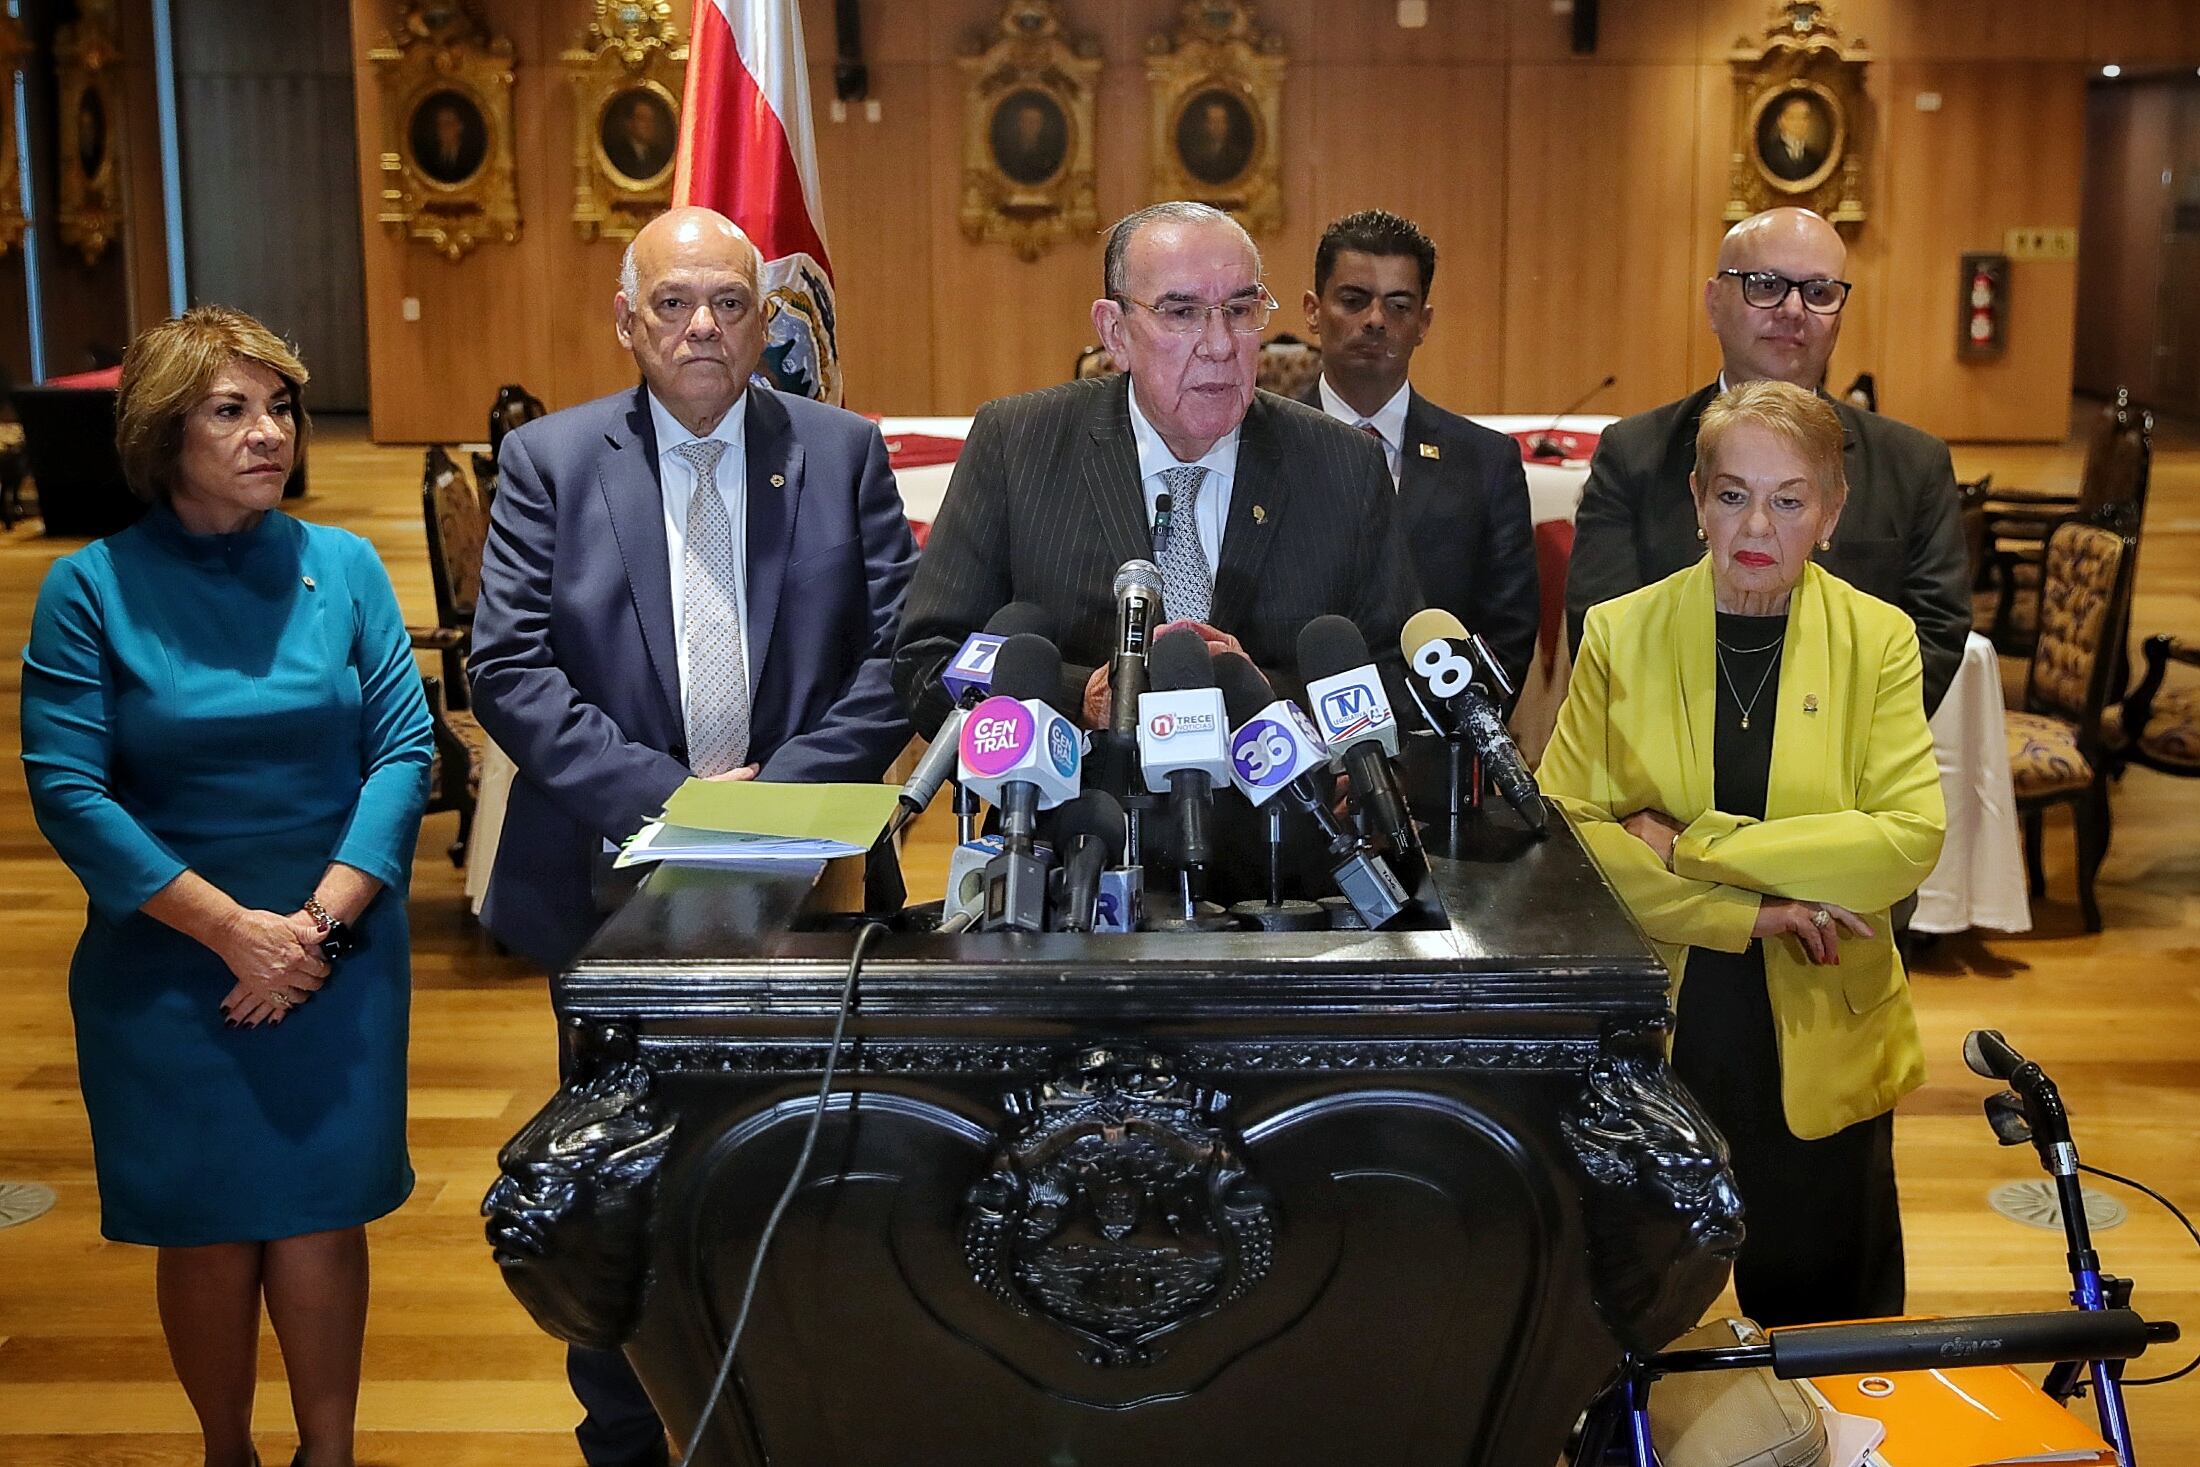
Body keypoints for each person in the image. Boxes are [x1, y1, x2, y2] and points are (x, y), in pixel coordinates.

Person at [468, 205, 917, 1467]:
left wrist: (767, 807)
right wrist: (670, 804)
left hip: (812, 877)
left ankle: (793, 1413)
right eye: (673, 303)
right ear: (627, 320)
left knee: (804, 1159)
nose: (703, 326)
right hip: (611, 883)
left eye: (728, 300)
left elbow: (899, 659)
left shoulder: (841, 451)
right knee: (611, 1178)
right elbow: (507, 665)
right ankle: (622, 1430)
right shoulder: (550, 460)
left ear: (766, 320)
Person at [20, 307, 434, 1467]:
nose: (270, 433)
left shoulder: (343, 566)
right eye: (231, 410)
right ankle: (227, 1453)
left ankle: (330, 1453)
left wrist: (307, 931)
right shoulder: (89, 590)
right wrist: (232, 934)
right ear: (165, 431)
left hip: (336, 950)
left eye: (281, 407)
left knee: (318, 1216)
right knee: (204, 1230)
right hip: (167, 962)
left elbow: (403, 754)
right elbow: (69, 792)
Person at [1540, 380, 1945, 1327]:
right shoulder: (1619, 632)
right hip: (1662, 1019)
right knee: (1647, 1309)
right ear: (1696, 500)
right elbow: (1573, 839)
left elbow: (1905, 839)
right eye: (1733, 493)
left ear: (1831, 514)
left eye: (1789, 498)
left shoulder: (1879, 640)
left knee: (1822, 1318)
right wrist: (1752, 911)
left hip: (1824, 1015)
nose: (1757, 522)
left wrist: (1696, 845)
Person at [891, 199, 1413, 740]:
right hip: (1078, 813)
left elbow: (1399, 676)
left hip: (1274, 817)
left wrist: (1258, 697)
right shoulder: (1016, 442)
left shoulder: (1344, 463)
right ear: (1115, 332)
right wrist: (1086, 700)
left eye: (1239, 310)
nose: (1218, 345)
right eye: (1182, 313)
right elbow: (929, 664)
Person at [1566, 206, 1969, 715]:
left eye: (1819, 292)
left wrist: (1820, 738)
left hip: (1847, 769)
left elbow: (1933, 636)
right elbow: (1601, 630)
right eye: (1765, 285)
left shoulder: (1913, 466)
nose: (1794, 310)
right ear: (1714, 302)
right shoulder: (1633, 454)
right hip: (1668, 763)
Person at [1297, 208, 1539, 696]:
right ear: (1312, 310)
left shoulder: (1486, 463)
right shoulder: (1254, 445)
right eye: (1353, 300)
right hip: (1289, 755)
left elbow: (1506, 638)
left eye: (1399, 305)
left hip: (1434, 750)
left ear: (1424, 322)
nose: (1375, 321)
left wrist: (1435, 750)